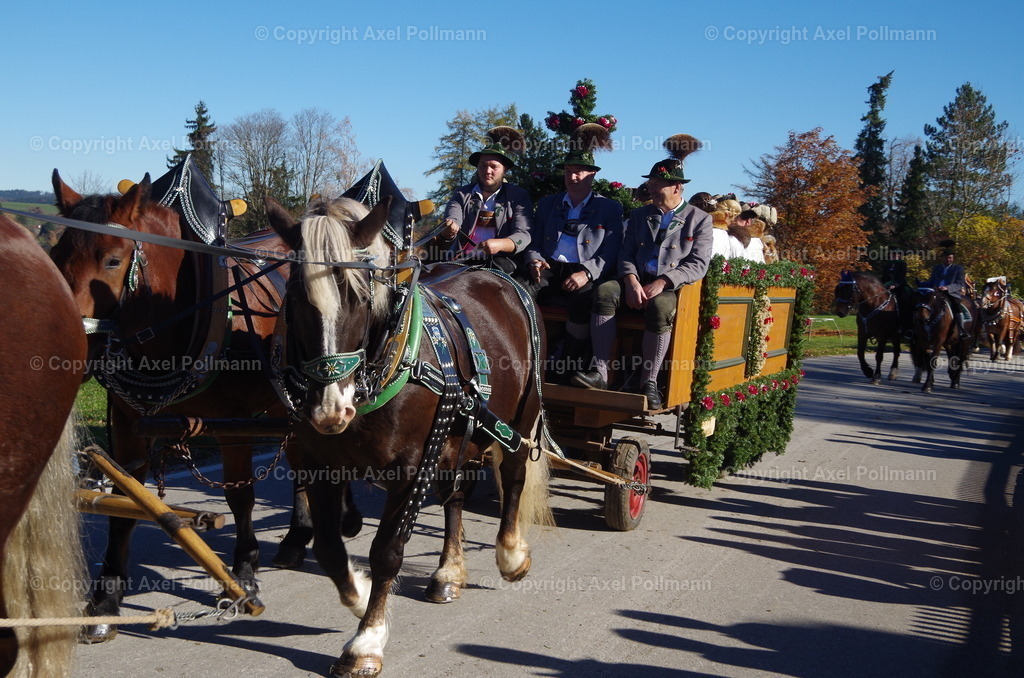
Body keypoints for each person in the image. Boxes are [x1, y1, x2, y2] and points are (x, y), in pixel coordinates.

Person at [573, 133, 713, 409]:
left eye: (657, 183)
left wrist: (663, 281)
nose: (651, 188)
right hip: (634, 280)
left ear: (677, 188)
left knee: (660, 308)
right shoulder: (640, 215)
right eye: (650, 182)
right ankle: (600, 373)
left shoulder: (700, 220)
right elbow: (624, 253)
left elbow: (698, 264)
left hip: (669, 287)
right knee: (603, 292)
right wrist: (630, 280)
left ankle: (648, 381)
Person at [523, 123, 623, 378]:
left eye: (578, 172)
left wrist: (587, 273)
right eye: (568, 171)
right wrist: (535, 260)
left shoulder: (609, 208)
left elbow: (610, 252)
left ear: (592, 175)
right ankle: (522, 355)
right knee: (518, 290)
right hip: (549, 267)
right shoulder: (548, 204)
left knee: (584, 300)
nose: (572, 177)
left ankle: (564, 364)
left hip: (583, 270)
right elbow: (533, 241)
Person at [438, 126, 533, 274]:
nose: (487, 171)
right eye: (483, 165)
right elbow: (453, 216)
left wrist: (500, 244)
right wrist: (450, 227)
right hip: (461, 260)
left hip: (501, 263)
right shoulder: (461, 194)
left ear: (504, 170)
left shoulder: (518, 197)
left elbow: (523, 234)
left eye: (493, 166)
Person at [925, 249, 969, 339]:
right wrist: (923, 284)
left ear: (952, 258)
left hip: (950, 293)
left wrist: (947, 288)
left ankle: (961, 330)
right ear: (943, 258)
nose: (948, 259)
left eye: (950, 258)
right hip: (936, 292)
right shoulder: (936, 268)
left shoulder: (958, 269)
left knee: (956, 306)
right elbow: (931, 281)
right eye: (946, 258)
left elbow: (960, 284)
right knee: (922, 304)